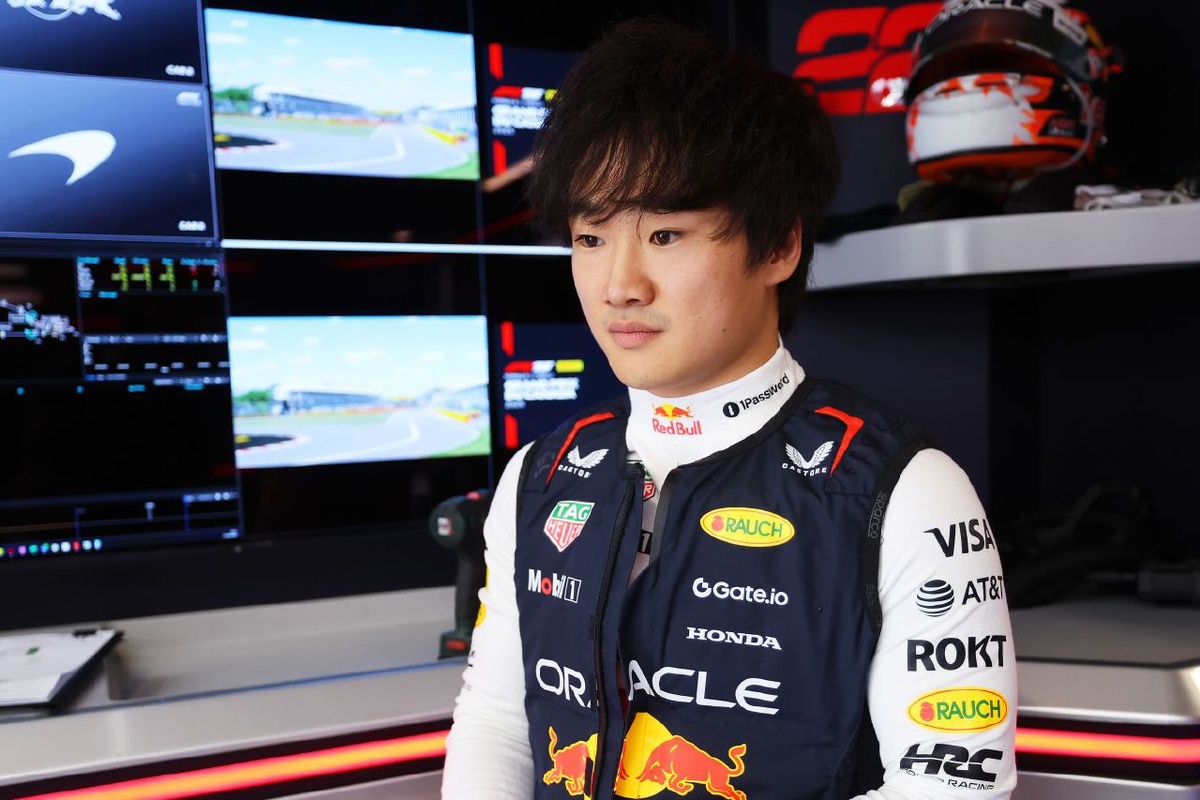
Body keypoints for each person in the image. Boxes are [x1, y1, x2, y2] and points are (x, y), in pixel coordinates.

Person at [443, 16, 1017, 800]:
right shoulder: (539, 476)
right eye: (590, 238)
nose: (619, 285)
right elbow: (499, 724)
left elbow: (954, 787)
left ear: (778, 246)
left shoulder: (905, 491)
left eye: (666, 235)